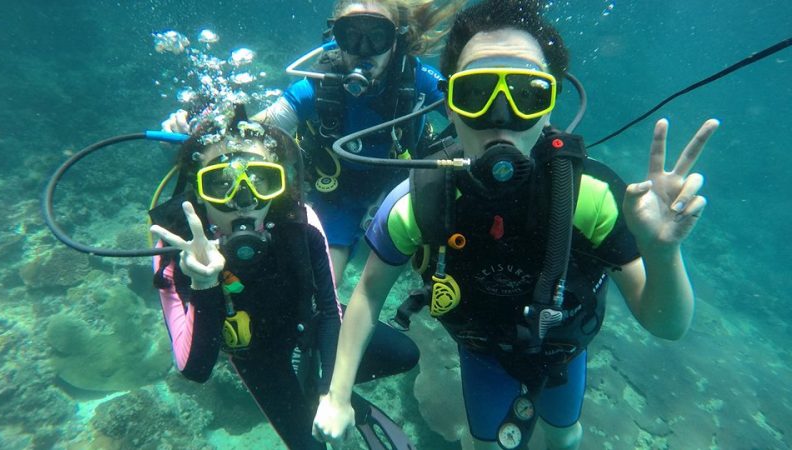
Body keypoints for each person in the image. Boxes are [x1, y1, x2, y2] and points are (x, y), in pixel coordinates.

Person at [312, 1, 720, 449]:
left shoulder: (588, 197)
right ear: (449, 106)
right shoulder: (420, 201)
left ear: (550, 107)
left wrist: (663, 252)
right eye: (475, 93)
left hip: (561, 351)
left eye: (527, 94)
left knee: (564, 437)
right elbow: (369, 294)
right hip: (482, 351)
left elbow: (666, 324)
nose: (500, 117)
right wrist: (337, 395)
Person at [149, 107, 419, 450]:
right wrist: (204, 284)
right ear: (199, 191)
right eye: (221, 183)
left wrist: (333, 394)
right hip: (259, 358)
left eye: (261, 179)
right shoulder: (174, 243)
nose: (243, 200)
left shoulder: (300, 221)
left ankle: (320, 389)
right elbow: (196, 369)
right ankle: (308, 392)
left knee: (404, 354)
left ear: (277, 183)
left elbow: (328, 309)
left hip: (308, 326)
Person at [164, 0, 466, 286]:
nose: (363, 50)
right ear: (336, 38)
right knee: (324, 283)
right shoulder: (315, 87)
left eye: (377, 36)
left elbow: (468, 115)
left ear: (396, 40)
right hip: (338, 195)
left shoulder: (419, 80)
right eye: (351, 36)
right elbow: (251, 131)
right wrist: (200, 133)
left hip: (402, 188)